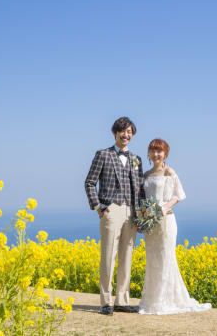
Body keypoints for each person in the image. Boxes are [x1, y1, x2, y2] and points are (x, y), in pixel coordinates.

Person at [139, 138, 212, 315]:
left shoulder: (169, 171)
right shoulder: (146, 175)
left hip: (166, 221)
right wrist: (144, 212)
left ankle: (165, 301)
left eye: (159, 151)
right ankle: (152, 301)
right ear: (148, 153)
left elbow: (178, 195)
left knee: (166, 258)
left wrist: (163, 208)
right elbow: (142, 198)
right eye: (153, 150)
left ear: (165, 153)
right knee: (153, 260)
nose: (156, 154)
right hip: (151, 224)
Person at [84, 117, 145, 315]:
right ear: (115, 133)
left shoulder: (137, 159)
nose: (126, 135)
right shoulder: (103, 154)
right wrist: (98, 206)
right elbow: (89, 182)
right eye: (123, 131)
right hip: (111, 210)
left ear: (132, 135)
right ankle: (106, 302)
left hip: (132, 212)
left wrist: (142, 213)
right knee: (108, 257)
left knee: (127, 257)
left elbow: (141, 189)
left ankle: (122, 300)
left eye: (129, 132)